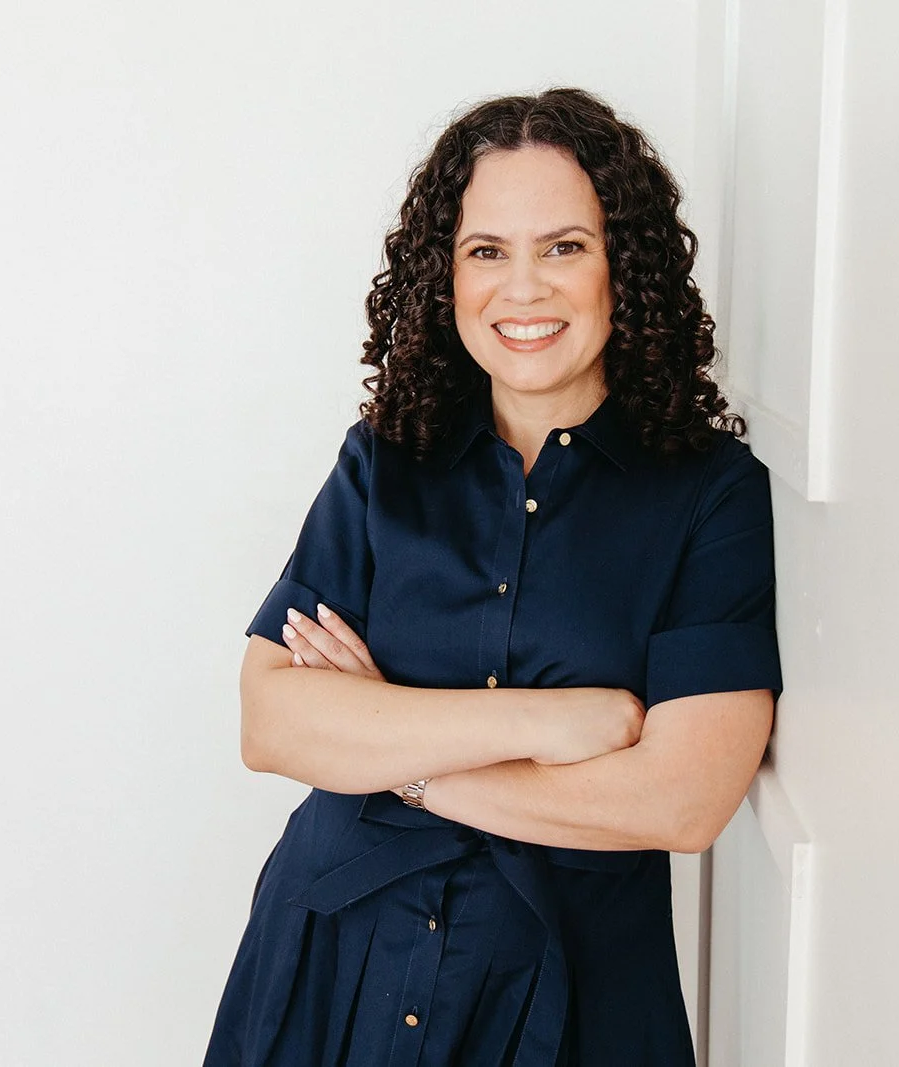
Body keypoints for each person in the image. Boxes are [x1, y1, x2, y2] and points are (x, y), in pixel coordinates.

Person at [203, 87, 783, 1067]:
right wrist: (553, 724)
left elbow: (678, 800)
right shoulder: (381, 462)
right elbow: (274, 725)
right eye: (486, 252)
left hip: (576, 997)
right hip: (338, 961)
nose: (522, 289)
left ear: (621, 267)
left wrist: (399, 749)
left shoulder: (711, 496)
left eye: (562, 247)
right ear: (445, 276)